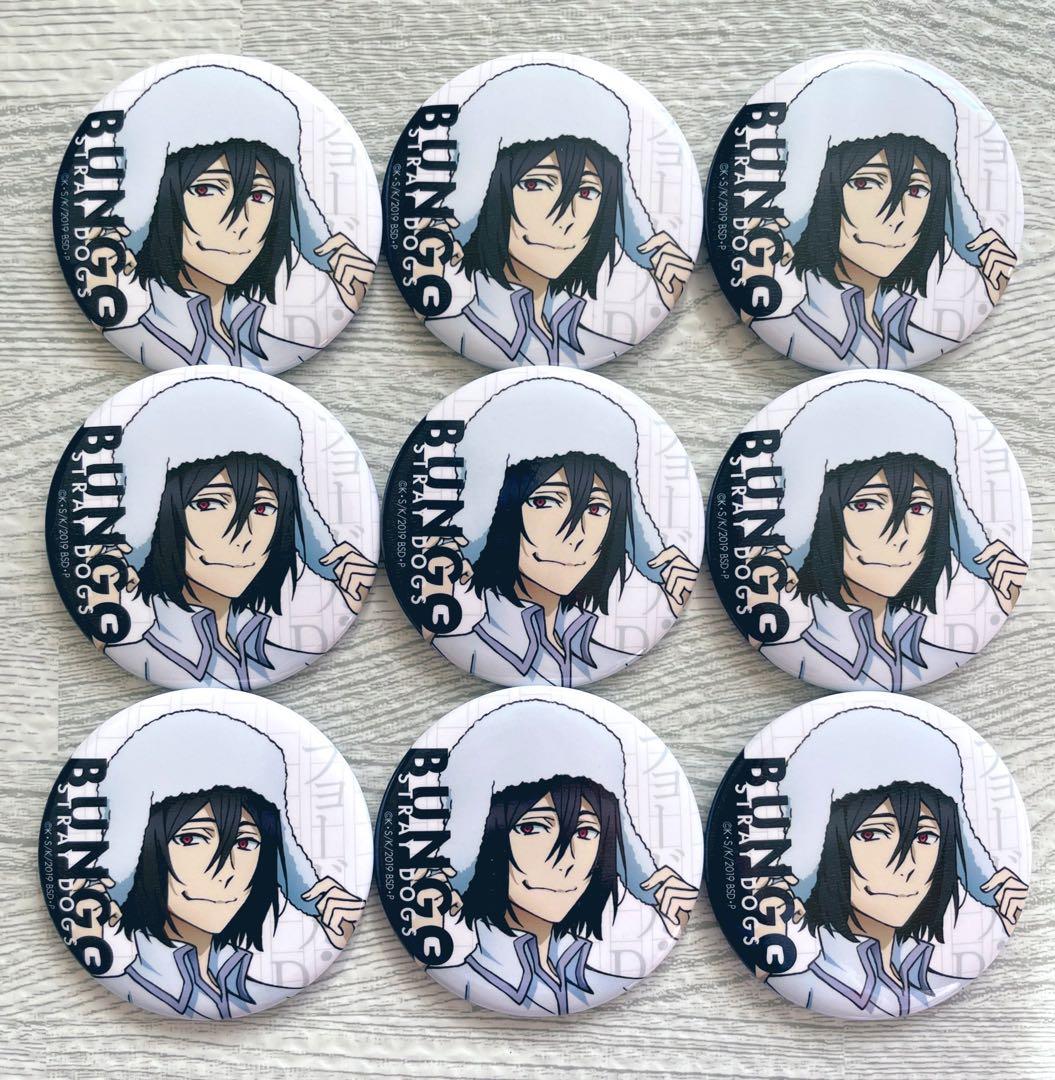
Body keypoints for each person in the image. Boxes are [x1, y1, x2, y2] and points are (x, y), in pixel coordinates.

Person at [67, 709, 365, 1020]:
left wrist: (337, 939)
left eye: (245, 843)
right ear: (139, 852)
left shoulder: (251, 992)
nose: (226, 872)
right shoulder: (124, 993)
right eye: (191, 839)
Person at [416, 698, 698, 1016]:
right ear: (481, 840)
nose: (566, 861)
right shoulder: (462, 984)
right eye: (532, 828)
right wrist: (426, 928)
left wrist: (677, 919)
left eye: (585, 832)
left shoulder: (608, 984)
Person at [95, 375, 375, 689]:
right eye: (208, 504)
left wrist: (348, 605)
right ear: (154, 519)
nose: (244, 537)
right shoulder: (135, 656)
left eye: (263, 508)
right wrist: (103, 616)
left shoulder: (279, 657)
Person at [90, 64, 374, 371]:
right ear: (153, 203)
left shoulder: (284, 350)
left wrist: (349, 300)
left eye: (259, 195)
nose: (240, 224)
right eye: (206, 190)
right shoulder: (137, 343)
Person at [748, 378, 1027, 691]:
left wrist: (1005, 604)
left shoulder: (941, 658)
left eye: (919, 507)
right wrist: (761, 616)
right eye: (865, 504)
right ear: (814, 517)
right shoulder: (794, 657)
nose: (900, 536)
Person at [419, 62, 694, 367]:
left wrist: (666, 294)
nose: (566, 218)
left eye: (587, 192)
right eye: (535, 184)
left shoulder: (601, 345)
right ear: (483, 195)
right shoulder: (458, 336)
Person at [747, 60, 1017, 370]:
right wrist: (752, 290)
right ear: (814, 194)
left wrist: (990, 293)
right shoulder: (785, 335)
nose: (896, 216)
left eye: (916, 189)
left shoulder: (933, 343)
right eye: (865, 183)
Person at [430, 376, 698, 686]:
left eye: (596, 508)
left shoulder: (604, 656)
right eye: (544, 502)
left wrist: (671, 607)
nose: (575, 535)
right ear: (497, 511)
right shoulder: (468, 650)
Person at [763, 706, 1027, 1019]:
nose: (906, 865)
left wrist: (1006, 925)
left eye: (925, 837)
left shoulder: (941, 986)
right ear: (822, 847)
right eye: (872, 834)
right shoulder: (800, 987)